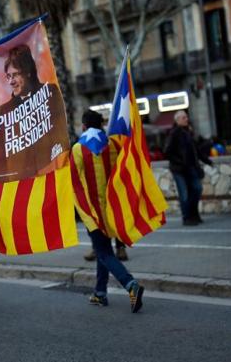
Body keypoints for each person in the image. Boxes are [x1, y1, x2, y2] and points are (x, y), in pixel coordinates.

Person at [71, 110, 144, 313]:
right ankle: (100, 293)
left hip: (92, 211)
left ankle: (131, 285)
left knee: (102, 251)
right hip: (111, 209)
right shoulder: (112, 145)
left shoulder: (78, 149)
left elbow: (73, 181)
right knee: (105, 250)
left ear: (84, 126)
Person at [0, 44, 69, 183]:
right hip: (19, 187)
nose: (11, 82)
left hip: (51, 178)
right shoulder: (3, 111)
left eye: (15, 75)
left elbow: (61, 135)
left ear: (28, 72)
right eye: (8, 76)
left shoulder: (50, 92)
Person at [164, 110, 212, 226]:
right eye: (184, 118)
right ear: (177, 120)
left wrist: (207, 161)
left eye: (186, 117)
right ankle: (187, 217)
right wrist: (180, 162)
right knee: (184, 194)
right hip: (179, 169)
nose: (186, 119)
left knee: (197, 189)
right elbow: (167, 151)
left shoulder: (188, 132)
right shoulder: (174, 133)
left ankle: (194, 215)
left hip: (191, 167)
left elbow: (196, 150)